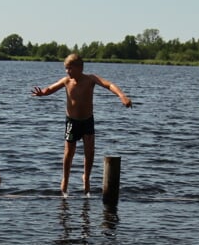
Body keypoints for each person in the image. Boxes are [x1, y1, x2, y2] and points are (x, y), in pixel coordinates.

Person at [31, 53, 132, 194]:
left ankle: (86, 177)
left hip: (87, 121)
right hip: (72, 122)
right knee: (69, 152)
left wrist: (122, 96)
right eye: (66, 68)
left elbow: (109, 85)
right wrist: (42, 93)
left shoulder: (90, 79)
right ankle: (65, 178)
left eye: (70, 68)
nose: (67, 71)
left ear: (80, 68)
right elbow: (50, 88)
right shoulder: (66, 81)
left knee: (89, 151)